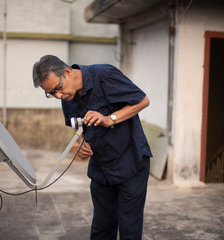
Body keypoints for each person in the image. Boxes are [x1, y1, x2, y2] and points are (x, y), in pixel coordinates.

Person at [32, 55, 152, 240]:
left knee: (129, 228)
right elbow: (76, 126)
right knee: (101, 228)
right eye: (51, 94)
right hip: (102, 168)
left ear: (67, 72)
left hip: (130, 162)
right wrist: (80, 143)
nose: (58, 96)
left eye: (58, 88)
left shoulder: (105, 75)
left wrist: (109, 118)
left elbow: (142, 101)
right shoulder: (67, 97)